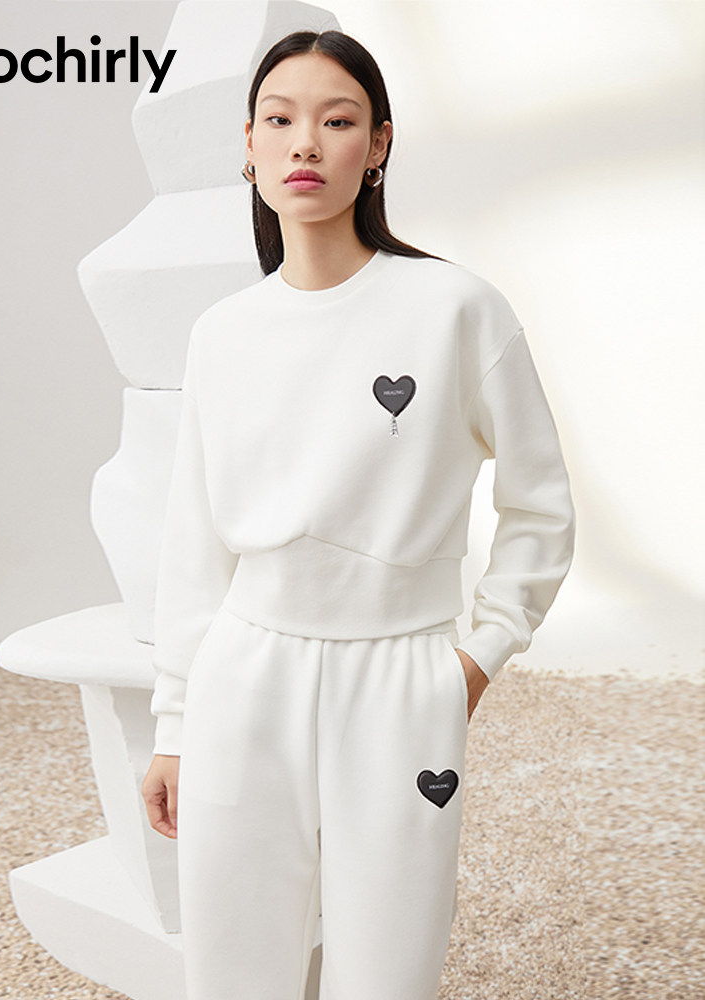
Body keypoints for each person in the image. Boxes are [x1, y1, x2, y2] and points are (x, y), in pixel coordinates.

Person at [141, 28, 575, 1000]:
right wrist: (175, 724)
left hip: (400, 674)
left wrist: (477, 657)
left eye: (337, 121)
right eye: (280, 120)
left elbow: (541, 504)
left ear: (378, 144)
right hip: (243, 674)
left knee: (389, 967)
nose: (305, 143)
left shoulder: (457, 309)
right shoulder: (223, 333)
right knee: (232, 968)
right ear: (248, 145)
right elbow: (193, 544)